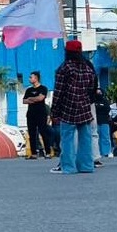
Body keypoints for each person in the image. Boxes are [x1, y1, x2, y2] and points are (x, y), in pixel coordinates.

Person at [49, 40, 96, 174]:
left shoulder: (64, 68)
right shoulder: (88, 68)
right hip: (85, 108)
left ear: (67, 52)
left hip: (68, 108)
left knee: (67, 140)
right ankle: (87, 166)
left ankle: (68, 167)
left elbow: (59, 91)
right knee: (86, 139)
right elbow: (92, 89)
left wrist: (54, 110)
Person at [23, 71, 50, 159]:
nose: (29, 79)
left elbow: (41, 98)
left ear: (36, 78)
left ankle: (48, 152)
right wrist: (33, 99)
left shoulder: (43, 88)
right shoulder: (29, 90)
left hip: (41, 113)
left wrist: (31, 98)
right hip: (31, 114)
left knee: (43, 132)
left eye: (31, 77)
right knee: (32, 133)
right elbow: (24, 101)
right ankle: (34, 153)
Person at [93, 90, 112, 159]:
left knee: (105, 138)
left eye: (100, 92)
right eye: (97, 92)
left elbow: (107, 109)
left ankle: (106, 152)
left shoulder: (105, 101)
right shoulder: (93, 101)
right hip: (95, 121)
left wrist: (98, 107)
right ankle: (97, 153)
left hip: (104, 121)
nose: (98, 94)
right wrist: (100, 107)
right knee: (95, 138)